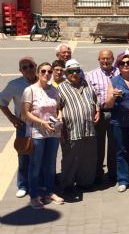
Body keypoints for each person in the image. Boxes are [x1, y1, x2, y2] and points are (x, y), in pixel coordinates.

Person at [21, 62, 64, 209]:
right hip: (36, 132)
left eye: (49, 71)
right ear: (38, 73)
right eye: (44, 71)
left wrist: (60, 117)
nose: (47, 74)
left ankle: (49, 192)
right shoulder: (30, 90)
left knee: (50, 163)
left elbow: (58, 108)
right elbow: (25, 113)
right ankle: (34, 195)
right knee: (35, 164)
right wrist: (42, 122)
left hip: (53, 132)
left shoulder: (54, 90)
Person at [58, 59, 99, 193]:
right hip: (71, 130)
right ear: (66, 72)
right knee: (70, 159)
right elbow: (57, 108)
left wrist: (97, 110)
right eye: (71, 71)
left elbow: (95, 99)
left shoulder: (86, 84)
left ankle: (86, 183)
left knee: (89, 158)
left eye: (77, 70)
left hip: (89, 129)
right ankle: (68, 185)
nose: (74, 73)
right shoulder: (61, 88)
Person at [0, 57, 37, 198]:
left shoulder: (43, 81)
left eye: (31, 66)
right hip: (24, 126)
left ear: (35, 66)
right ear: (20, 71)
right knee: (23, 156)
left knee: (39, 156)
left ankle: (39, 182)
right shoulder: (14, 85)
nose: (28, 69)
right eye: (24, 67)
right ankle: (22, 185)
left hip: (40, 126)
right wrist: (12, 118)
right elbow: (2, 101)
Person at [106, 53, 129, 192]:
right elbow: (108, 104)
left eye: (128, 62)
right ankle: (123, 179)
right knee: (121, 151)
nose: (126, 65)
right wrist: (113, 97)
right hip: (119, 122)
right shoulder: (114, 81)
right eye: (122, 63)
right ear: (118, 66)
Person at [86, 50, 118, 184]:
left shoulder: (119, 72)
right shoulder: (91, 75)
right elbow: (88, 95)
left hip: (116, 112)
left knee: (115, 145)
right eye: (103, 59)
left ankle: (113, 173)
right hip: (99, 113)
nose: (106, 61)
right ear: (98, 59)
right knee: (98, 145)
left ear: (113, 59)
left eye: (108, 58)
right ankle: (97, 173)